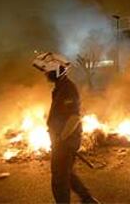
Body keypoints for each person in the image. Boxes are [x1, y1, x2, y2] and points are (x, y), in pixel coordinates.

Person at [33, 52, 97, 204]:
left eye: (48, 71)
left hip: (65, 141)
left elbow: (74, 117)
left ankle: (85, 200)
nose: (46, 74)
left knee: (59, 180)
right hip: (62, 140)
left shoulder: (68, 89)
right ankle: (88, 200)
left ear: (57, 70)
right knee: (67, 174)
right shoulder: (60, 87)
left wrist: (61, 138)